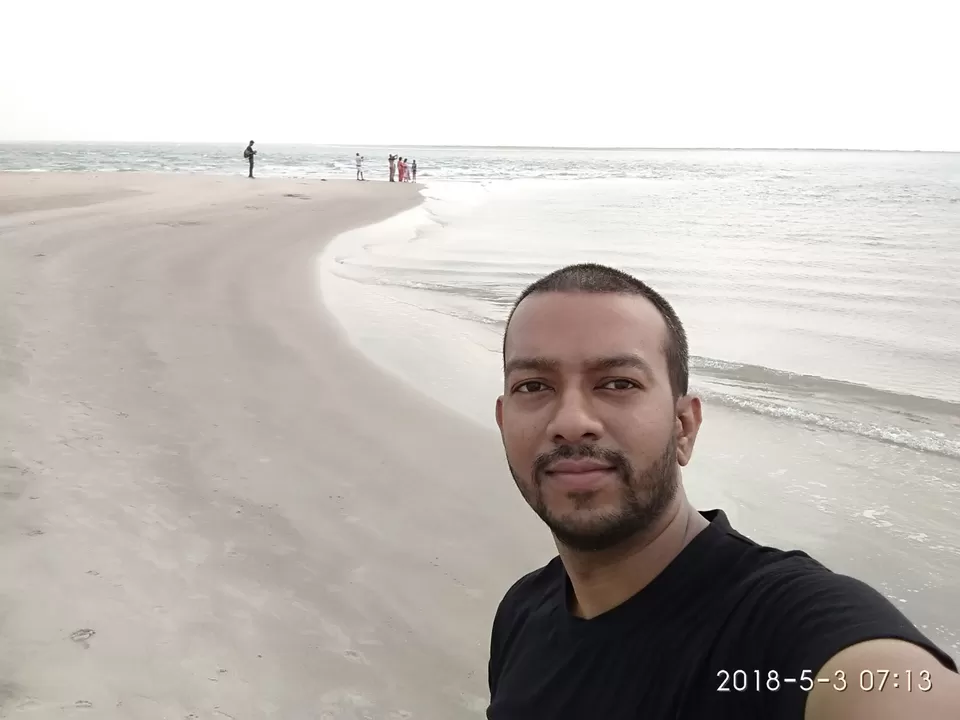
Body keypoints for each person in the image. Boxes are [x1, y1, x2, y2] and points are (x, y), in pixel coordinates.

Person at [487, 263, 959, 720]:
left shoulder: (776, 630)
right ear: (505, 422)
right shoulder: (523, 612)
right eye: (533, 385)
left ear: (683, 427)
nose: (571, 422)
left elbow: (888, 684)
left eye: (617, 383)